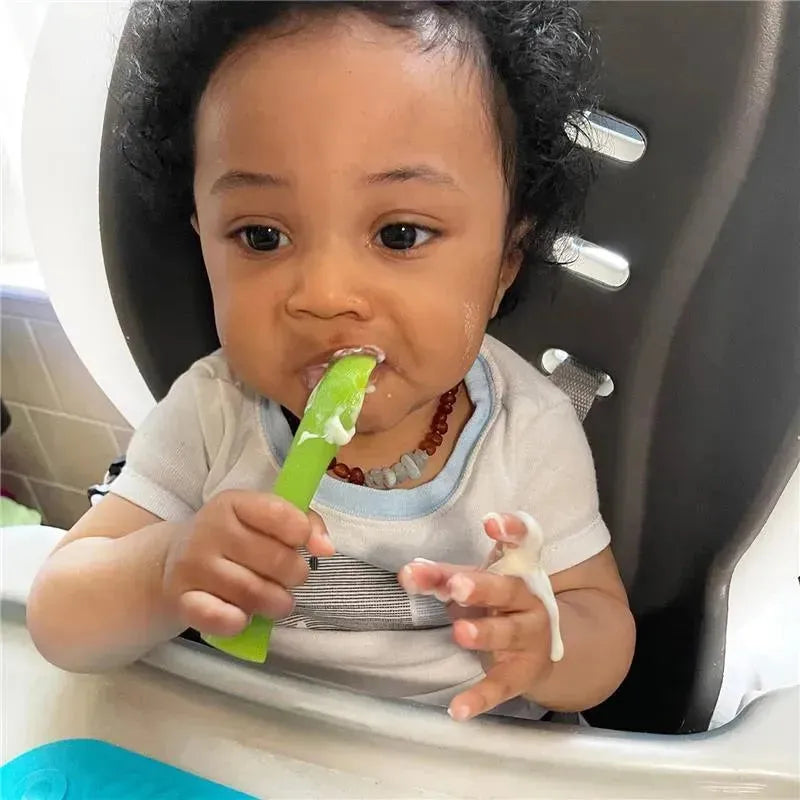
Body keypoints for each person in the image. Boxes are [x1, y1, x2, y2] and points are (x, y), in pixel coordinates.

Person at [28, 0, 635, 723]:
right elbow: (59, 617)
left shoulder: (527, 432)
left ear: (506, 261)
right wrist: (162, 571)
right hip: (246, 746)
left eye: (400, 234)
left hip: (458, 750)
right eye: (261, 236)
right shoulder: (215, 411)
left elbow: (604, 632)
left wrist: (545, 646)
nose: (322, 295)